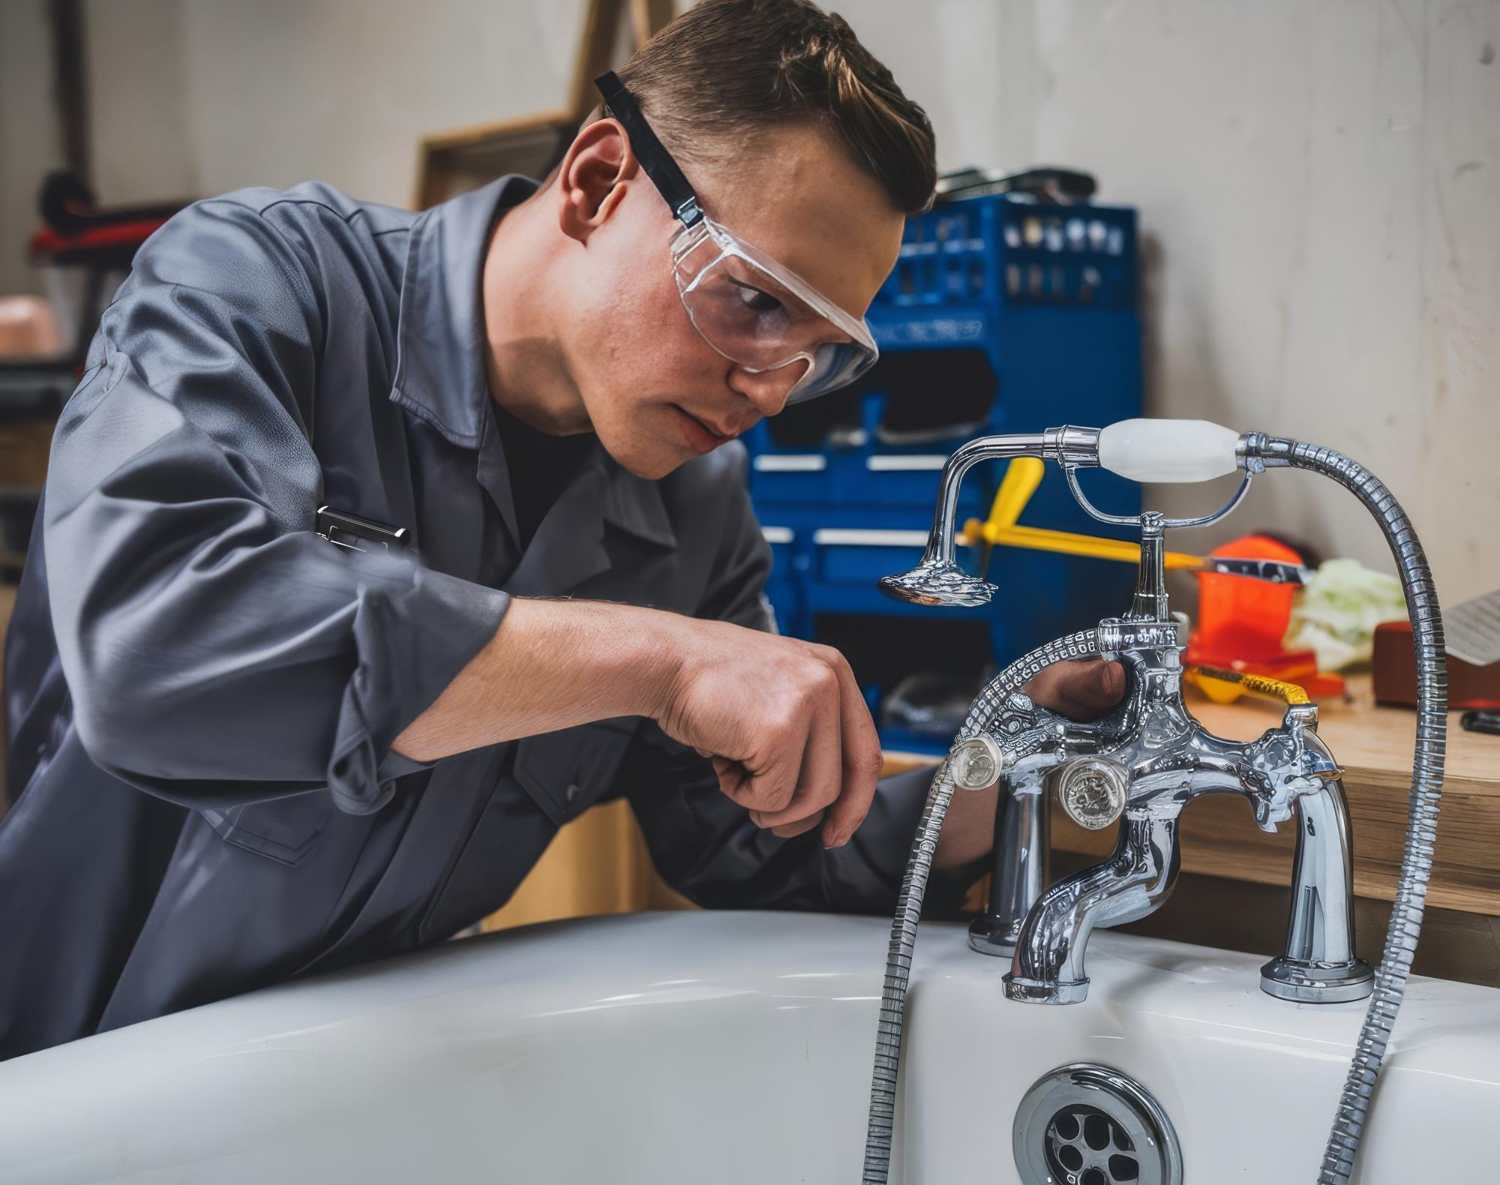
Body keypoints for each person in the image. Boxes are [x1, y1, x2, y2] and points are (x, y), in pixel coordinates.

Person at [0, 0, 1122, 1060]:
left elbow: (756, 845)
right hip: (75, 1082)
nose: (773, 389)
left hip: (356, 1098)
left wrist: (1009, 754)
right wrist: (661, 662)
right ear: (595, 182)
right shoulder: (258, 286)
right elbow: (164, 652)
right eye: (758, 301)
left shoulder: (693, 506)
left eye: (822, 350)